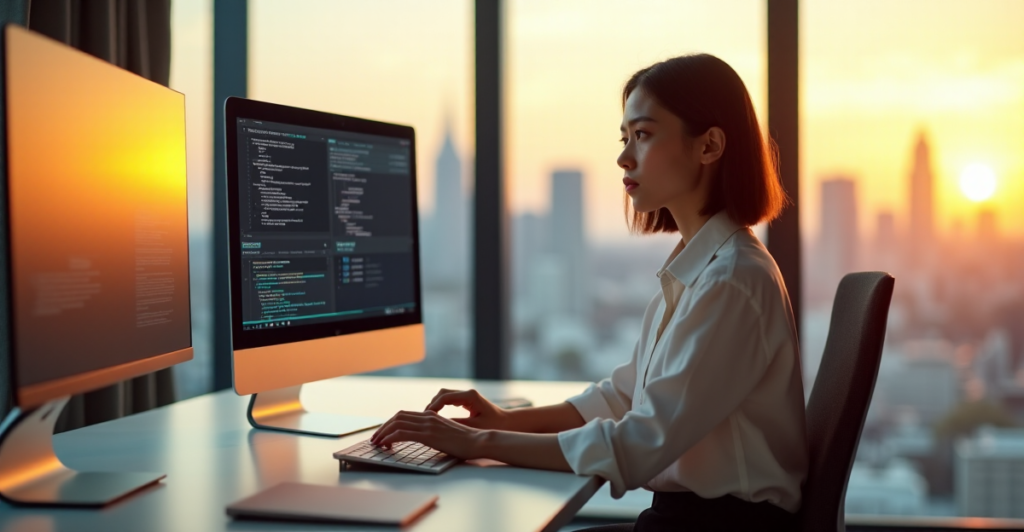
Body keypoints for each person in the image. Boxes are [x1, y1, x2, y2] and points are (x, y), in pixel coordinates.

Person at [371, 53, 807, 532]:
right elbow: (622, 398)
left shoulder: (732, 281)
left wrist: (477, 443)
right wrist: (504, 422)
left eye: (642, 135)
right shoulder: (699, 267)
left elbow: (636, 446)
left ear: (709, 145)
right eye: (625, 138)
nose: (623, 157)